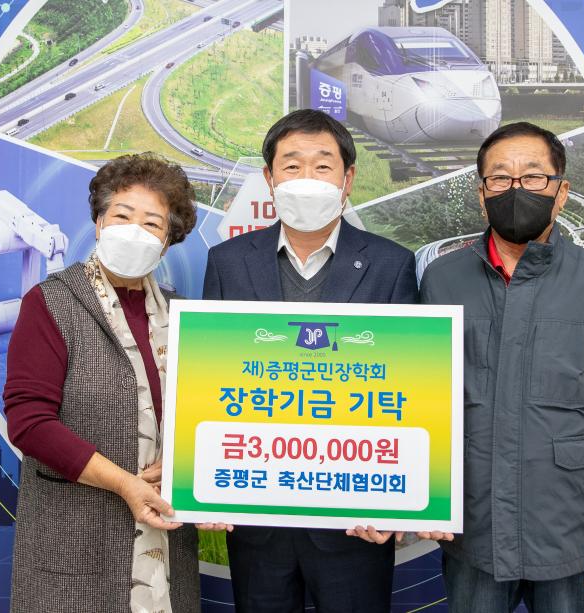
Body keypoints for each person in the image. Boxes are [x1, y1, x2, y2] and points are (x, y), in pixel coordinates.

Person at [419, 122, 584, 612]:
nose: (516, 190)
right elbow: (421, 403)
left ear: (561, 192)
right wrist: (421, 500)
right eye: (500, 178)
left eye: (533, 177)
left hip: (569, 533)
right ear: (482, 194)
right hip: (473, 531)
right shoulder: (442, 279)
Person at [203, 109, 419, 612]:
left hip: (356, 520)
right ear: (269, 178)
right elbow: (210, 381)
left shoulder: (392, 264)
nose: (307, 178)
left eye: (322, 166)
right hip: (257, 516)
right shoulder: (228, 262)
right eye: (292, 165)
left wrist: (396, 500)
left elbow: (408, 388)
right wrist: (206, 487)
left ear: (348, 179)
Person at [4, 153, 206, 612]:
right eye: (122, 216)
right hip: (75, 542)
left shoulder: (184, 318)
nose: (134, 231)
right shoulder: (51, 302)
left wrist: (190, 467)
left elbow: (208, 418)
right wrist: (124, 483)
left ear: (166, 243)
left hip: (167, 542)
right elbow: (29, 423)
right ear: (98, 224)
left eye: (152, 224)